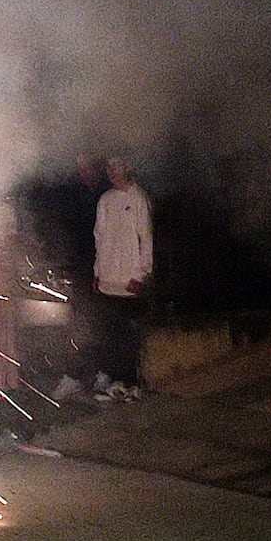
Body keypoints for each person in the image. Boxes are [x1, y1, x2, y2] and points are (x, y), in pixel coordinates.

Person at [92, 156, 153, 388]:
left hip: (129, 281)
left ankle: (129, 382)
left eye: (115, 166)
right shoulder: (105, 200)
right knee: (110, 333)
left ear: (127, 166)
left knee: (128, 335)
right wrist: (98, 271)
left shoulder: (138, 198)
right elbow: (99, 237)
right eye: (108, 166)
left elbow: (145, 238)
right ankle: (111, 377)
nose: (111, 171)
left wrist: (141, 275)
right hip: (108, 279)